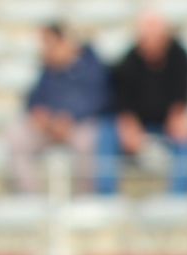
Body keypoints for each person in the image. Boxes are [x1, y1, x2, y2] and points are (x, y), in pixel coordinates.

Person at [6, 22, 111, 194]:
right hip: (49, 128)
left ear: (64, 42)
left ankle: (85, 201)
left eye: (49, 43)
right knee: (15, 136)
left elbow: (100, 101)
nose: (45, 49)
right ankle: (30, 199)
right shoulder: (48, 69)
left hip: (78, 126)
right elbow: (33, 100)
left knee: (88, 141)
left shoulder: (92, 65)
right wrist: (39, 115)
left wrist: (70, 118)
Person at [107, 10, 187, 195]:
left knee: (186, 139)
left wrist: (179, 117)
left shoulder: (180, 57)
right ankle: (107, 198)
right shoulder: (127, 62)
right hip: (140, 125)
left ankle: (180, 198)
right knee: (107, 136)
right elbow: (124, 106)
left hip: (170, 124)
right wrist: (129, 127)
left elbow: (182, 98)